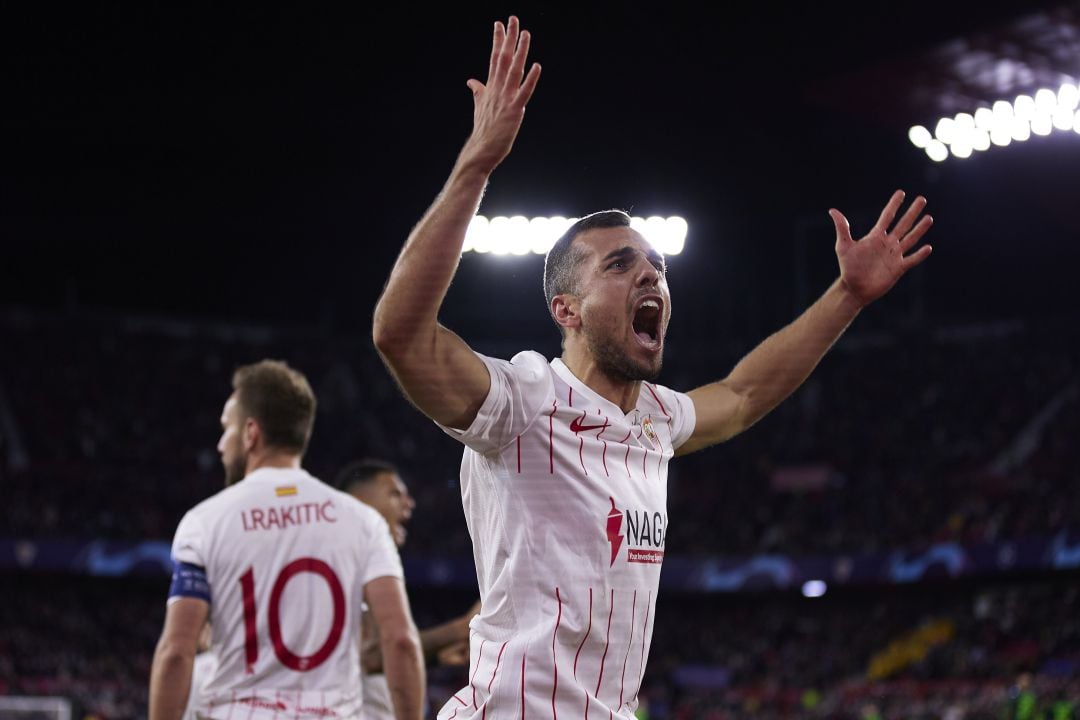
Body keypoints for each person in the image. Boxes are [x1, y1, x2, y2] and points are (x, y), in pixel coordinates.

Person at [371, 16, 933, 719]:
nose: (651, 277)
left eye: (657, 267)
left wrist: (846, 295)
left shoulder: (656, 419)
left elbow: (745, 390)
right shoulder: (522, 401)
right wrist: (477, 164)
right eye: (620, 265)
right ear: (565, 310)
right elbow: (400, 335)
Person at [149, 360, 425, 720]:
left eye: (226, 429)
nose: (221, 445)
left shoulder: (205, 521)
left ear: (251, 433)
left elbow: (177, 651)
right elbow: (401, 640)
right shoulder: (364, 523)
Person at [333, 459, 480, 718]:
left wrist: (433, 654)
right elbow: (373, 655)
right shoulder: (341, 569)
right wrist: (460, 628)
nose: (409, 503)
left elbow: (375, 659)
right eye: (395, 493)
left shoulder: (370, 574)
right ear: (358, 503)